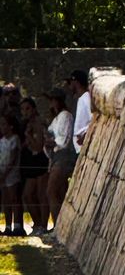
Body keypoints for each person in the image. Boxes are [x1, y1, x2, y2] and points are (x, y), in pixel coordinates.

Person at [44, 90, 75, 225]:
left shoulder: (66, 116)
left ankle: (57, 224)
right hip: (55, 156)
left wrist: (53, 142)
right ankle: (61, 223)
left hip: (63, 156)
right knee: (60, 191)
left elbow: (64, 140)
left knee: (52, 190)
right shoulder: (56, 119)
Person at [19, 118, 49, 234]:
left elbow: (38, 147)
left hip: (40, 161)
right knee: (27, 195)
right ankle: (37, 223)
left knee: (42, 194)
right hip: (30, 161)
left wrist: (29, 136)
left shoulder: (39, 125)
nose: (25, 112)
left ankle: (43, 225)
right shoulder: (26, 124)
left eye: (28, 108)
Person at [0, 114, 21, 235]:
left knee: (14, 198)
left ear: (11, 126)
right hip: (2, 173)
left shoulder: (15, 139)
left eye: (4, 124)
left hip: (12, 173)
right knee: (6, 200)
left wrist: (6, 172)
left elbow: (13, 157)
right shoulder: (1, 141)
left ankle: (17, 225)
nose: (2, 127)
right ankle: (7, 226)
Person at [71, 69, 92, 154]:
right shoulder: (81, 98)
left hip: (85, 144)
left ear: (75, 82)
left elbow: (93, 118)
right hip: (80, 147)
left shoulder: (86, 97)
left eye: (70, 82)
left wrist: (85, 136)